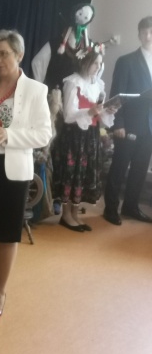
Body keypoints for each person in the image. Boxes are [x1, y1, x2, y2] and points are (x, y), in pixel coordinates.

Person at [0, 30, 52, 321]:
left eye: (4, 53)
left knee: (7, 234)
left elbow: (44, 134)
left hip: (12, 171)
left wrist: (9, 135)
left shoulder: (35, 90)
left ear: (19, 55)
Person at [51, 45, 116, 232]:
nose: (98, 67)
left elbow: (99, 115)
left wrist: (108, 111)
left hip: (90, 135)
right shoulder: (73, 82)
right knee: (71, 173)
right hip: (74, 136)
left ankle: (75, 213)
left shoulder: (98, 85)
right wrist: (89, 111)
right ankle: (66, 215)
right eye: (95, 63)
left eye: (100, 64)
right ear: (84, 62)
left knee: (83, 173)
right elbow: (69, 115)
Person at [103, 16, 152, 225]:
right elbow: (117, 95)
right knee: (119, 167)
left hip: (149, 127)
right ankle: (110, 208)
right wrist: (118, 124)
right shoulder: (126, 61)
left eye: (151, 32)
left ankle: (131, 206)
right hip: (129, 124)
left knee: (140, 169)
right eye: (144, 32)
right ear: (139, 34)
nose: (148, 36)